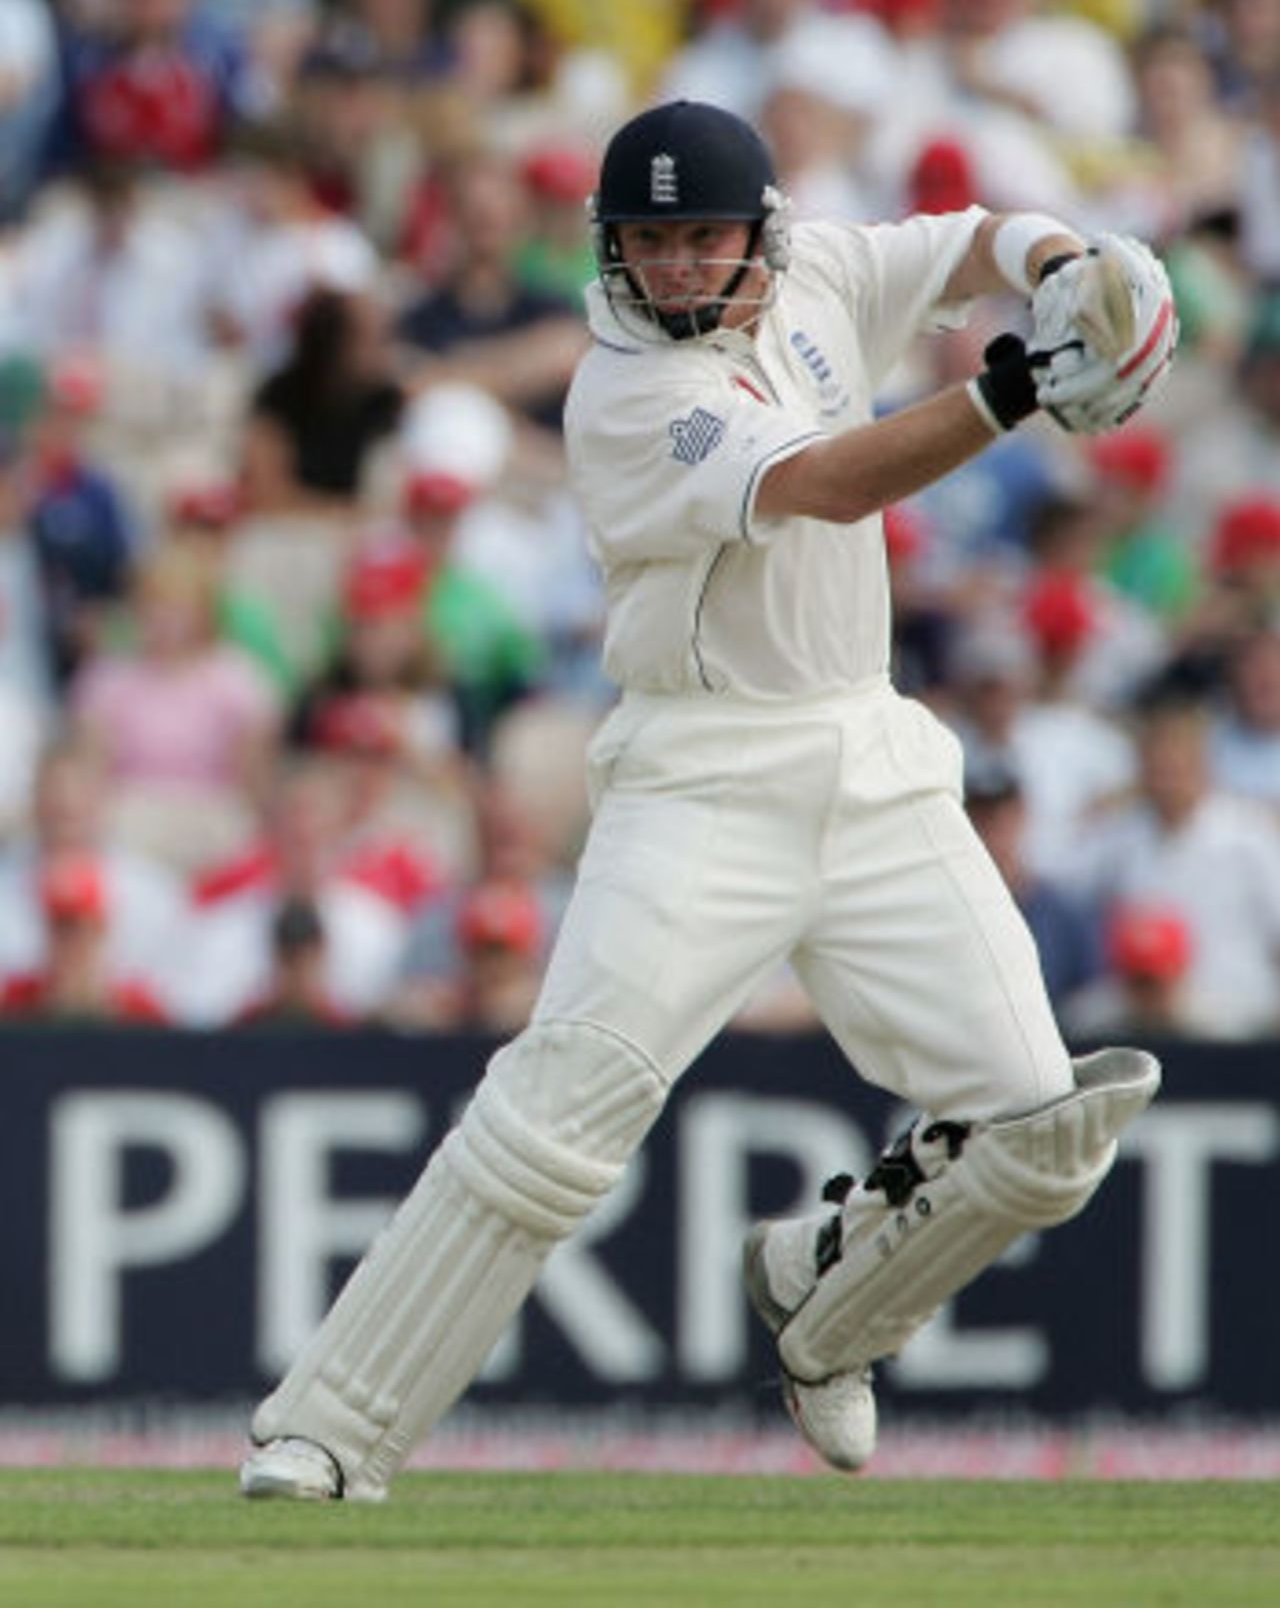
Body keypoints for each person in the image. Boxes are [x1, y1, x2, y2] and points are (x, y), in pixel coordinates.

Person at [239, 98, 1169, 1501]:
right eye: (649, 241)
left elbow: (974, 234)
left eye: (700, 236)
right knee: (560, 1118)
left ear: (760, 232)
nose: (673, 266)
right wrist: (1014, 390)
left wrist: (1063, 262)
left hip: (869, 755)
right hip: (702, 775)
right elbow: (828, 483)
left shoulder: (822, 276)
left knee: (1041, 1135)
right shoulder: (625, 394)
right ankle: (329, 1432)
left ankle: (823, 1300)